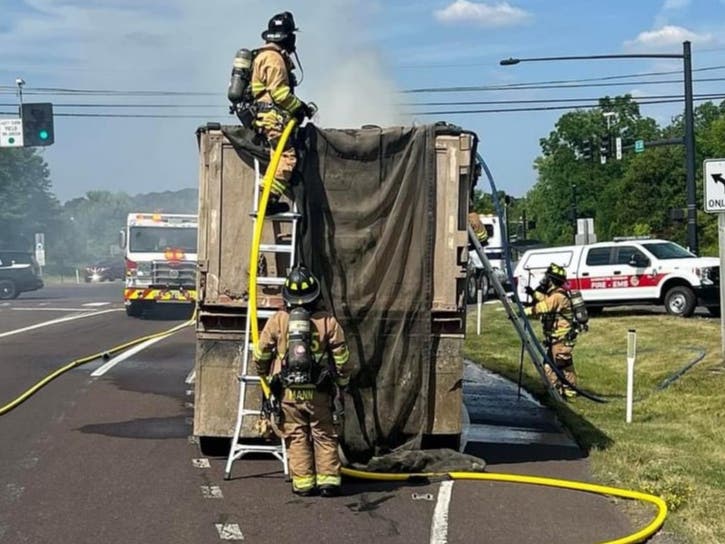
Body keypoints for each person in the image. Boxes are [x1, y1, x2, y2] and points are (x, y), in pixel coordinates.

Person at [253, 265, 352, 497]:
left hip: (288, 391)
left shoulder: (278, 320)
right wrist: (342, 382)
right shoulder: (328, 322)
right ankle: (328, 482)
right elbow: (342, 358)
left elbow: (261, 354)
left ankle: (304, 483)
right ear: (315, 294)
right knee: (324, 434)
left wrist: (265, 375)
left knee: (296, 436)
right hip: (319, 391)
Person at [251, 11, 314, 215]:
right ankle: (268, 202)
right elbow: (280, 94)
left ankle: (265, 199)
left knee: (275, 161)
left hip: (267, 117)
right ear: (287, 36)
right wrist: (299, 107)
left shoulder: (264, 55)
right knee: (287, 158)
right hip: (273, 119)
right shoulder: (274, 59)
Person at [523, 263, 578, 398]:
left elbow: (544, 306)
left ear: (553, 280)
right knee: (550, 365)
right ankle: (555, 390)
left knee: (561, 365)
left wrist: (522, 311)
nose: (545, 281)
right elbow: (546, 300)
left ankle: (568, 390)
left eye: (548, 278)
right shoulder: (556, 294)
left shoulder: (558, 296)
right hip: (555, 339)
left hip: (561, 338)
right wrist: (533, 293)